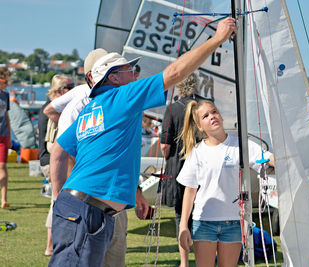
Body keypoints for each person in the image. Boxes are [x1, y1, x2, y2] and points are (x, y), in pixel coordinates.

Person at [49, 17, 237, 266]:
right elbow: (175, 73)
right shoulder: (121, 96)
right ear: (113, 78)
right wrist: (217, 39)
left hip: (84, 209)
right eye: (130, 70)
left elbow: (59, 151)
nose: (136, 74)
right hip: (86, 212)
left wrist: (58, 197)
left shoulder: (91, 109)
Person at [50, 48, 139, 267]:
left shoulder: (119, 100)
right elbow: (61, 153)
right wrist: (60, 197)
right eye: (129, 69)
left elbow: (118, 154)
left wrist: (137, 192)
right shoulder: (80, 106)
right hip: (85, 202)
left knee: (113, 257)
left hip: (106, 205)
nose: (135, 74)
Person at [177, 100, 274, 267]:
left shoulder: (241, 145)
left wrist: (286, 160)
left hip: (233, 222)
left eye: (214, 112)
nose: (212, 116)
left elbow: (267, 158)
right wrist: (183, 225)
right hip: (203, 221)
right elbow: (190, 190)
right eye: (205, 116)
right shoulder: (197, 152)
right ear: (200, 127)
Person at [160, 73, 204, 267]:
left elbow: (165, 146)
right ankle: (206, 259)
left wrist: (167, 158)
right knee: (205, 216)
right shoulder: (206, 106)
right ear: (196, 85)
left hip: (178, 166)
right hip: (204, 165)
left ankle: (184, 263)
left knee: (182, 216)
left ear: (179, 87)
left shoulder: (172, 109)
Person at [38, 74, 73, 256]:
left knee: (57, 199)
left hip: (46, 159)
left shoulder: (48, 107)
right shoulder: (53, 110)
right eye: (69, 86)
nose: (72, 89)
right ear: (60, 90)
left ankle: (53, 245)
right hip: (51, 160)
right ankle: (51, 246)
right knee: (57, 200)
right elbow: (53, 143)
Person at [0, 67, 12, 209]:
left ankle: (4, 199)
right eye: (4, 81)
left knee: (3, 166)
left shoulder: (6, 95)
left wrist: (9, 136)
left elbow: (7, 117)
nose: (6, 84)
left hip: (3, 135)